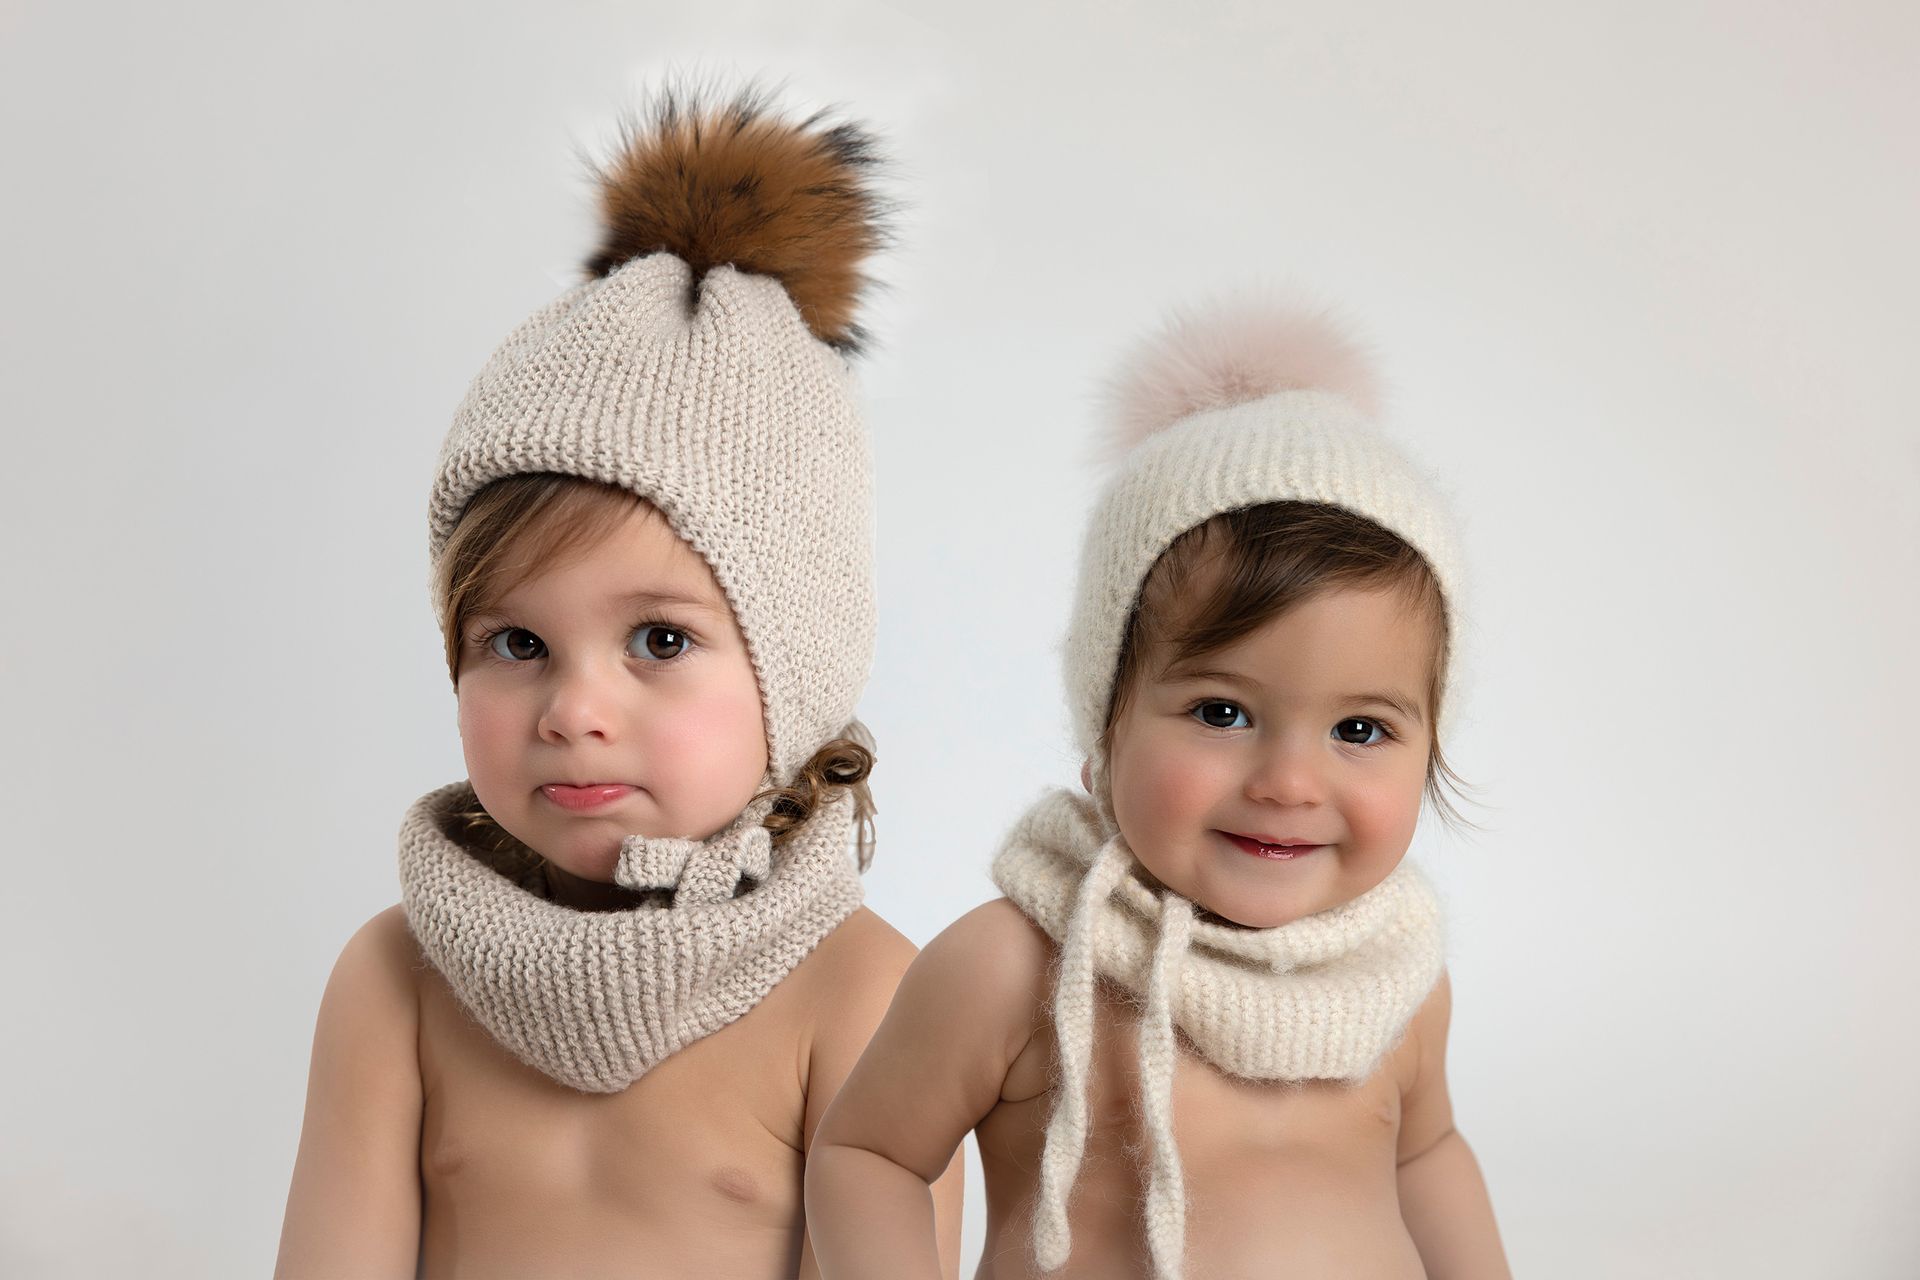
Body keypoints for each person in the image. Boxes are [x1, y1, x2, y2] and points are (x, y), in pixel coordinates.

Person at [275, 83, 962, 1279]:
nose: (573, 710)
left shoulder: (863, 995)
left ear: (789, 668)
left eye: (657, 640)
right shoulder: (399, 979)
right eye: (515, 642)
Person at [807, 298, 1510, 1277]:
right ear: (1106, 723)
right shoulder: (1017, 967)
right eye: (1223, 711)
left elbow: (1428, 1153)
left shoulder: (1396, 970)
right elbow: (869, 1154)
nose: (1290, 781)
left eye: (1360, 728)